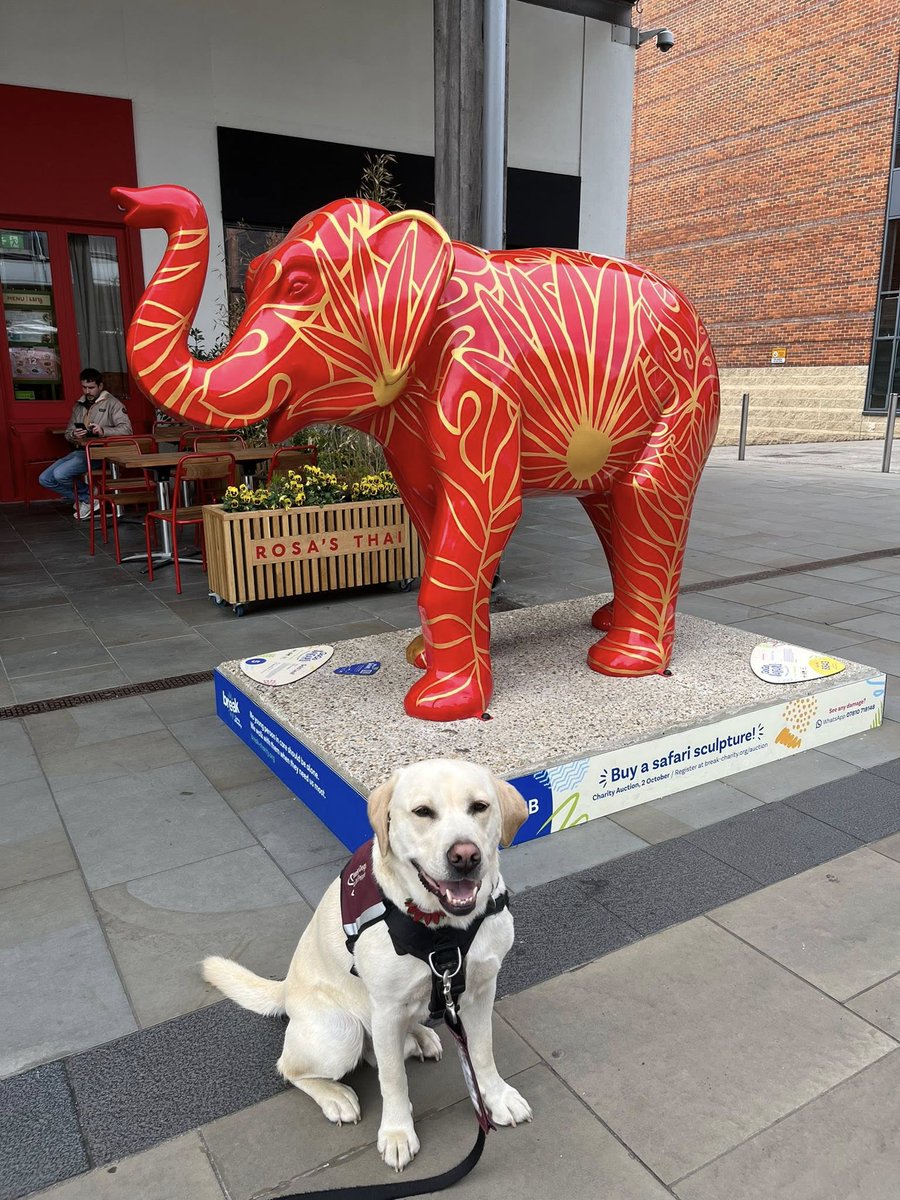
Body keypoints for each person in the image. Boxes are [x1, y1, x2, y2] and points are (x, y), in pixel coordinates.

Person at [39, 368, 132, 518]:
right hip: (80, 451)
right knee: (44, 479)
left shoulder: (113, 403)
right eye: (84, 387)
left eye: (91, 387)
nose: (87, 391)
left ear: (100, 386)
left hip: (100, 453)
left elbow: (127, 430)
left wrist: (102, 430)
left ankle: (87, 497)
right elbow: (68, 433)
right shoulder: (78, 405)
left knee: (60, 474)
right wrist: (74, 434)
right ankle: (88, 497)